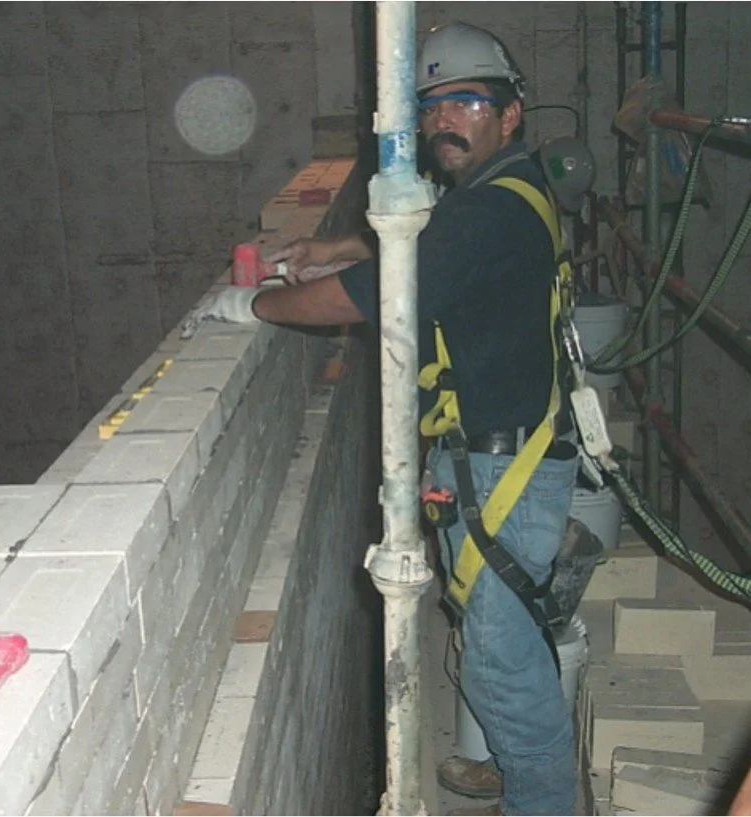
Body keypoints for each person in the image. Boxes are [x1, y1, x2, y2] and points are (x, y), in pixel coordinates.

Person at [185, 22, 579, 816]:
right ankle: (530, 778)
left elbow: (369, 301)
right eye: (432, 106)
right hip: (505, 465)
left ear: (510, 116)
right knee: (497, 655)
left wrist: (255, 303)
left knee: (502, 670)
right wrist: (342, 242)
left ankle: (546, 802)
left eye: (468, 101)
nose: (445, 119)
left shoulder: (489, 214)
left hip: (506, 475)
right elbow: (422, 249)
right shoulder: (506, 192)